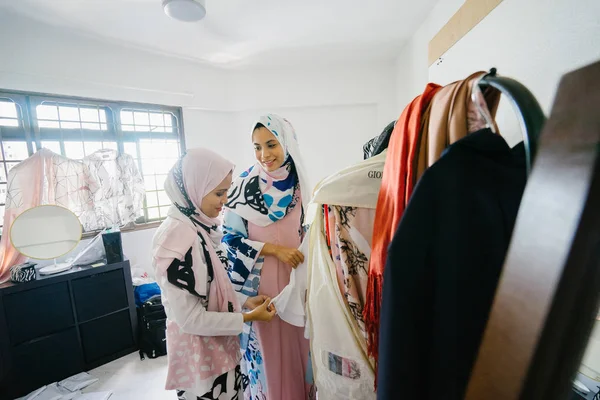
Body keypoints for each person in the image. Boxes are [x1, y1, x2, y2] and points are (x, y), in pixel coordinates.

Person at [152, 148, 276, 400]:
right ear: (194, 189)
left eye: (227, 191)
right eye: (219, 193)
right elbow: (190, 319)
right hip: (201, 363)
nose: (225, 201)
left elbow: (211, 289)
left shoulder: (199, 227)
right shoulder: (179, 239)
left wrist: (242, 302)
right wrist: (246, 318)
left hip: (217, 354)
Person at [222, 114, 314, 400]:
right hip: (258, 288)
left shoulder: (300, 185)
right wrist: (274, 250)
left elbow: (306, 231)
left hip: (295, 283)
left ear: (286, 143)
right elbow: (229, 240)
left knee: (300, 349)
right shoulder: (241, 188)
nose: (264, 155)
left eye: (271, 144)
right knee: (268, 355)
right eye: (257, 147)